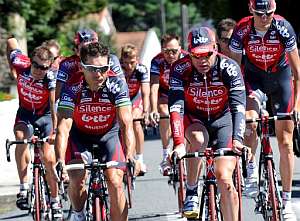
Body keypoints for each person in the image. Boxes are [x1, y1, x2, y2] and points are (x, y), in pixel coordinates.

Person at [229, 0, 300, 220]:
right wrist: (239, 105)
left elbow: (298, 74)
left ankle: (286, 201)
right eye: (260, 13)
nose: (264, 17)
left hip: (281, 80)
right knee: (250, 121)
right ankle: (250, 172)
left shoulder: (283, 27)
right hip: (254, 79)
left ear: (274, 10)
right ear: (251, 10)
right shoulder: (241, 29)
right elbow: (234, 72)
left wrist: (297, 106)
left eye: (269, 12)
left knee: (286, 142)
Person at [54, 41, 138, 221]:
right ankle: (78, 213)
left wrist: (131, 155)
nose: (99, 74)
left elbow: (126, 123)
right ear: (82, 67)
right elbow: (63, 127)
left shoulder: (116, 84)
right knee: (76, 179)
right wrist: (60, 159)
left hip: (108, 136)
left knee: (115, 182)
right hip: (80, 137)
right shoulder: (71, 86)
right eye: (92, 68)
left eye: (104, 68)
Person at [169, 27, 246, 220]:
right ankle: (192, 190)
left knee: (225, 180)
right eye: (196, 56)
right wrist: (178, 144)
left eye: (207, 54)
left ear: (215, 47)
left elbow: (238, 107)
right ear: (189, 52)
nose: (202, 61)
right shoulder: (179, 69)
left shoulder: (229, 67)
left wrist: (237, 139)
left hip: (223, 119)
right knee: (197, 139)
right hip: (195, 118)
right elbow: (176, 108)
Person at [6, 37, 62, 220]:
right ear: (31, 61)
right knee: (20, 137)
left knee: (48, 158)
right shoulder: (20, 63)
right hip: (25, 114)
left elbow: (54, 105)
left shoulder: (50, 77)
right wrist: (10, 66)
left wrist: (54, 131)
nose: (40, 71)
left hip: (45, 117)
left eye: (45, 68)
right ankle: (23, 188)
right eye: (37, 66)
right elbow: (11, 41)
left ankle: (55, 201)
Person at [149, 34, 187, 174]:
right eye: (166, 51)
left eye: (174, 51)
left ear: (180, 49)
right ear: (161, 50)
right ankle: (166, 154)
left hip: (184, 92)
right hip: (165, 93)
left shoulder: (187, 58)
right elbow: (153, 86)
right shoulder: (157, 61)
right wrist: (153, 109)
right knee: (165, 113)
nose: (171, 55)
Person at [55, 28, 124, 101]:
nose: (89, 52)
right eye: (84, 50)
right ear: (77, 51)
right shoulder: (67, 63)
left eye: (93, 48)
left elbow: (122, 87)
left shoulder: (111, 60)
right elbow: (57, 95)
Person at [120, 43, 150, 174]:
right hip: (122, 101)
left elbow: (145, 92)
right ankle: (126, 156)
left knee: (136, 122)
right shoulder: (117, 69)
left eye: (132, 62)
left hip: (135, 99)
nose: (129, 66)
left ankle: (140, 159)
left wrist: (146, 111)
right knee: (123, 124)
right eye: (125, 62)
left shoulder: (141, 70)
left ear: (137, 59)